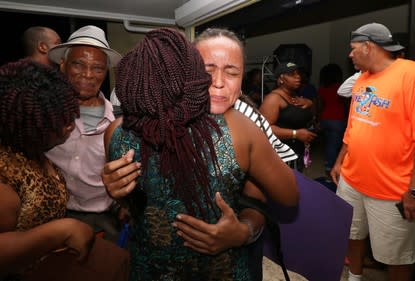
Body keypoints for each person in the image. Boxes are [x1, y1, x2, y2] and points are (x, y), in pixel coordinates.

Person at [106, 28, 297, 280]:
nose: (218, 82)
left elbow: (278, 196)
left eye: (232, 72)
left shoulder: (245, 123)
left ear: (242, 80)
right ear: (186, 72)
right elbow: (136, 207)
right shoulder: (123, 131)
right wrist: (116, 192)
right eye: (207, 71)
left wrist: (243, 230)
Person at [330, 22, 415, 281]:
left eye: (353, 49)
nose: (350, 55)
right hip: (351, 180)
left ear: (369, 46)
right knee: (352, 233)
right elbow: (353, 127)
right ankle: (355, 277)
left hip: (390, 188)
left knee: (397, 256)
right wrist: (340, 161)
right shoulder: (362, 80)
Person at [0, 59, 129, 281]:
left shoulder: (34, 149)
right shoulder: (6, 174)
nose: (70, 124)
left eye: (69, 114)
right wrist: (61, 230)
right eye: (58, 121)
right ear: (27, 124)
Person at [45, 25, 123, 242]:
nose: (88, 75)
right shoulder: (43, 113)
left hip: (102, 222)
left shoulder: (118, 122)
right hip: (48, 216)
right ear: (63, 65)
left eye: (98, 68)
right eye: (78, 64)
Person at [259, 61, 317, 171]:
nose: (298, 77)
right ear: (281, 79)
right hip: (280, 155)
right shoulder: (273, 99)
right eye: (292, 75)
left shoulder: (294, 95)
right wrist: (296, 134)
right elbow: (264, 129)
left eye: (298, 73)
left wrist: (309, 103)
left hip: (296, 151)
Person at [317, 63, 347, 176]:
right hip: (338, 120)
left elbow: (319, 105)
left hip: (325, 119)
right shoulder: (342, 88)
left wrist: (318, 120)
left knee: (329, 143)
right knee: (334, 145)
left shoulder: (322, 89)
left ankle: (329, 166)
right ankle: (331, 169)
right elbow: (346, 105)